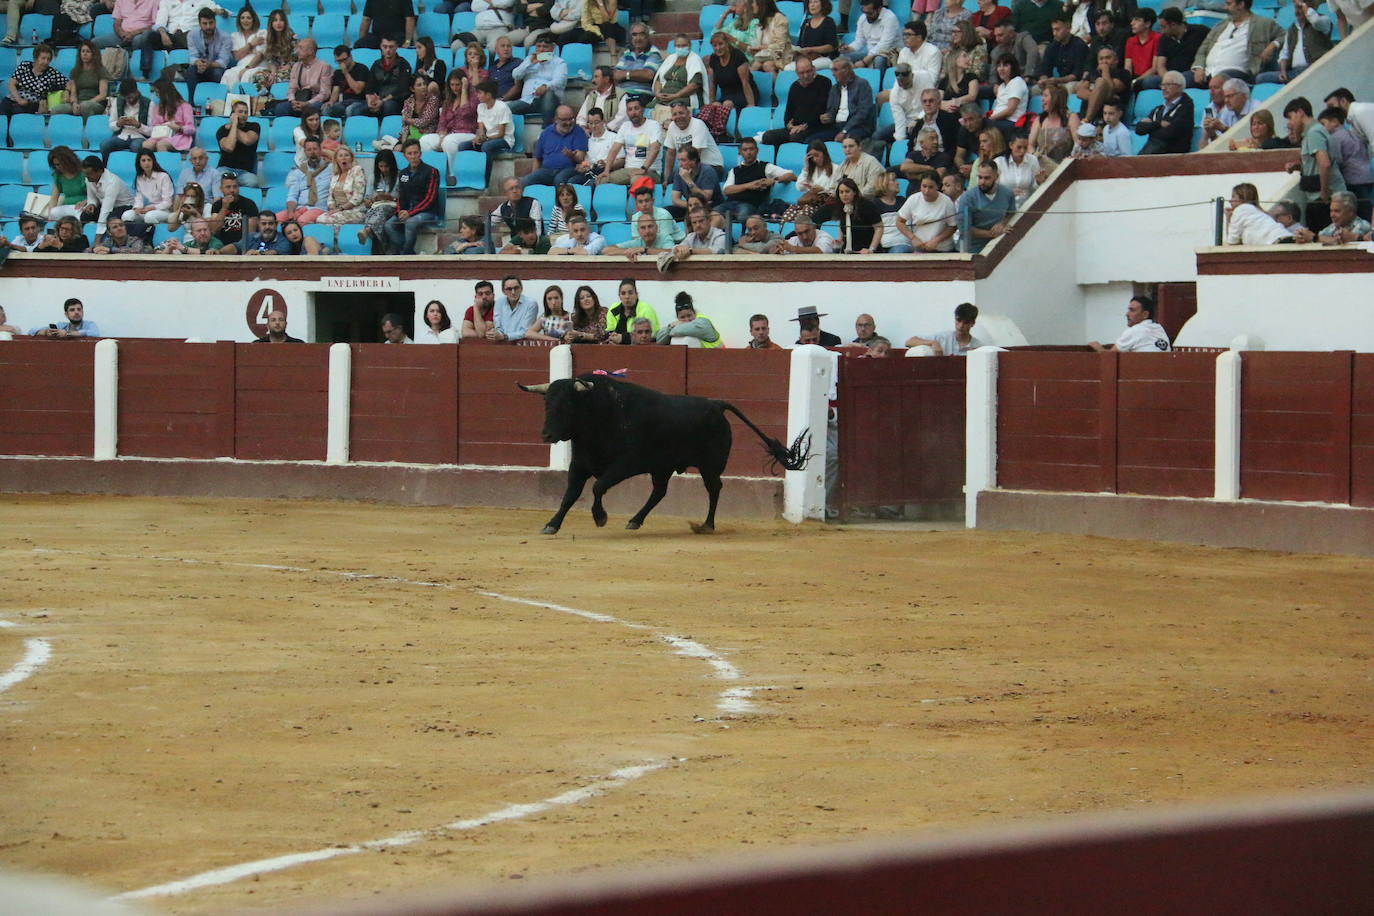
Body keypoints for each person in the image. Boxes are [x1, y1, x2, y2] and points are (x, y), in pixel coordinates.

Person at [1190, 0, 1282, 87]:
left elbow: (1284, 35)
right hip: (1206, 72)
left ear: (1241, 4)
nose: (1225, 7)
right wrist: (1199, 67)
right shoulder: (1220, 25)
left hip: (1238, 72)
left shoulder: (1263, 23)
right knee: (1177, 79)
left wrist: (1272, 46)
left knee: (1219, 80)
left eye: (1229, 4)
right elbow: (1202, 49)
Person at [1285, 96, 1344, 231]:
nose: (1291, 122)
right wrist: (1298, 167)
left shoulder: (1314, 133)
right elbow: (1316, 166)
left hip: (1322, 199)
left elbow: (1324, 164)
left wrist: (1323, 194)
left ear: (1300, 112)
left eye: (1291, 117)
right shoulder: (1313, 132)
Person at [714, 137, 795, 228]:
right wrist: (750, 185)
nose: (748, 152)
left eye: (751, 149)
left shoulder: (765, 167)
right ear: (740, 152)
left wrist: (773, 180)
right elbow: (727, 190)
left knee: (743, 216)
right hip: (730, 203)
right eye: (745, 150)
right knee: (712, 215)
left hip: (751, 204)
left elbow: (791, 175)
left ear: (757, 150)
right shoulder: (734, 170)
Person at [384, 138, 443, 254]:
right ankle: (408, 251)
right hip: (407, 210)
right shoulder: (403, 173)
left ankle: (405, 254)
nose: (413, 156)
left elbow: (429, 199)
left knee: (411, 222)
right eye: (409, 153)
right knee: (388, 225)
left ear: (420, 154)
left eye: (415, 153)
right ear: (405, 156)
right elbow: (401, 196)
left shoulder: (432, 172)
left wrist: (410, 213)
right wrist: (401, 211)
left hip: (428, 212)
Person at [761, 55, 831, 146]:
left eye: (808, 71)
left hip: (815, 126)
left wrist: (804, 126)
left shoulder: (824, 82)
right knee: (768, 136)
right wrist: (789, 125)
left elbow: (821, 110)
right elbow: (788, 112)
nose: (805, 76)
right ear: (796, 73)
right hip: (796, 127)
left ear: (813, 69)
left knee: (795, 137)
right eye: (802, 73)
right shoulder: (794, 87)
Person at [1259, 0, 1331, 86]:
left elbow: (1316, 21)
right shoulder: (1292, 29)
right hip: (1293, 73)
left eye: (1300, 8)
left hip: (1314, 69)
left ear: (1310, 7)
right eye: (1296, 8)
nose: (1297, 12)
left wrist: (1303, 5)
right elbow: (1284, 54)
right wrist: (1283, 71)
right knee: (1261, 78)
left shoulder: (1324, 20)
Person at [1317, 106, 1373, 217]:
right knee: (1370, 208)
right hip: (1369, 176)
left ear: (1334, 122)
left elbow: (1336, 160)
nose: (1322, 129)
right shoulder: (1355, 133)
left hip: (1354, 180)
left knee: (1361, 211)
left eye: (1323, 124)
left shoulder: (1335, 138)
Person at [599, 95, 662, 185]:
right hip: (628, 170)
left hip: (650, 170)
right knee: (601, 181)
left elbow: (655, 149)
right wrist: (606, 170)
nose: (633, 112)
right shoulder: (625, 126)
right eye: (630, 109)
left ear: (643, 109)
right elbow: (614, 150)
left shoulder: (653, 125)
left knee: (636, 180)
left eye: (636, 108)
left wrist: (643, 168)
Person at [957, 161, 1015, 253]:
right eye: (980, 177)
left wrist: (1002, 223)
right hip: (972, 249)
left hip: (998, 246)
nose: (982, 182)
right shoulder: (968, 197)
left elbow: (1011, 213)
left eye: (987, 178)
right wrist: (992, 234)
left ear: (996, 176)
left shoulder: (1007, 193)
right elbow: (965, 229)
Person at [525, 105, 588, 187]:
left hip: (569, 169)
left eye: (571, 119)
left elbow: (581, 158)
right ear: (556, 119)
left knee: (559, 180)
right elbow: (537, 159)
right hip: (547, 170)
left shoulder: (579, 132)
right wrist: (534, 175)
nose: (568, 123)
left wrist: (572, 156)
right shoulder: (546, 133)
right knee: (527, 181)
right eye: (564, 120)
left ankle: (557, 200)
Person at [1135, 70, 1194, 155]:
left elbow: (1170, 134)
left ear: (1179, 87)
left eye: (1168, 84)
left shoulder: (1186, 107)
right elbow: (1139, 129)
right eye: (1162, 85)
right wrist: (1158, 124)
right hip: (1153, 154)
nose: (1163, 88)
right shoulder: (1158, 109)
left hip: (1173, 156)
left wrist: (1150, 127)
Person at [509, 33, 566, 120]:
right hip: (528, 100)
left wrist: (545, 86)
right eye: (538, 46)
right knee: (505, 109)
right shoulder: (530, 59)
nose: (541, 50)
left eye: (545, 47)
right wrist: (529, 63)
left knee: (548, 94)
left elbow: (560, 81)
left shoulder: (559, 62)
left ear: (552, 48)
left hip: (548, 100)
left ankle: (547, 130)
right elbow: (516, 75)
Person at [651, 32, 707, 119]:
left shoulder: (695, 60)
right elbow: (658, 79)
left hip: (683, 97)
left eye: (683, 45)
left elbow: (694, 85)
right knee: (648, 106)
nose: (680, 48)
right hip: (664, 96)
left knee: (674, 107)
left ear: (689, 45)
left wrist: (675, 95)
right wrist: (658, 93)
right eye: (678, 46)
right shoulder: (670, 59)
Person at [896, 173, 957, 252]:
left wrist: (936, 240)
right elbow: (899, 221)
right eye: (924, 186)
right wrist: (913, 238)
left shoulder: (946, 202)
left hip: (943, 249)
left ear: (937, 186)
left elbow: (953, 226)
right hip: (920, 248)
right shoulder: (913, 199)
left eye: (931, 187)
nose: (926, 191)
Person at [1, 43, 68, 115]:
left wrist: (67, 91)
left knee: (18, 111)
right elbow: (11, 84)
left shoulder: (52, 73)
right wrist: (19, 100)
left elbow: (69, 83)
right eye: (43, 58)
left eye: (48, 59)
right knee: (3, 108)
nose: (46, 62)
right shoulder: (24, 66)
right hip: (15, 98)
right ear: (36, 58)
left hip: (32, 103)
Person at [1089, 295, 1171, 352]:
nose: (1127, 314)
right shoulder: (1158, 328)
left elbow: (1110, 356)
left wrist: (1099, 348)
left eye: (1132, 310)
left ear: (1145, 314)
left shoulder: (1135, 330)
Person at [278, 137, 331, 225]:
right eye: (309, 150)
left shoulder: (330, 168)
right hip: (299, 208)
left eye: (315, 149)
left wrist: (329, 153)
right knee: (275, 219)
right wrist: (291, 212)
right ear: (305, 152)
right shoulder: (298, 171)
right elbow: (292, 196)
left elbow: (349, 161)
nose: (312, 152)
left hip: (319, 208)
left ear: (320, 150)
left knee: (302, 220)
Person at [820, 58, 876, 142]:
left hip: (857, 126)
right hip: (837, 126)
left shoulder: (862, 84)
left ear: (846, 70)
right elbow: (832, 111)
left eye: (835, 70)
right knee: (813, 140)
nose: (833, 74)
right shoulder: (834, 89)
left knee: (848, 140)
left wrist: (844, 131)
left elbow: (862, 113)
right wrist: (827, 117)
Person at [184, 7, 233, 101]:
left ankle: (218, 102)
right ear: (199, 24)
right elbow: (193, 57)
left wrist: (208, 64)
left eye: (211, 23)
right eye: (205, 23)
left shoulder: (225, 37)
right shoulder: (191, 35)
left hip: (215, 68)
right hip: (199, 67)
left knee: (218, 73)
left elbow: (223, 62)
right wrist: (198, 62)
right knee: (190, 71)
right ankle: (191, 103)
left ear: (215, 22)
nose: (208, 26)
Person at [663, 100, 724, 175]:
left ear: (689, 113)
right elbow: (670, 154)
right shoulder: (672, 126)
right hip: (688, 166)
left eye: (681, 113)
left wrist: (686, 175)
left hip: (711, 166)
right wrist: (667, 178)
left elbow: (696, 153)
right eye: (674, 114)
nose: (678, 117)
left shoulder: (698, 124)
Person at [51, 40, 109, 117]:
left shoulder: (101, 70)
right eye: (83, 51)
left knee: (85, 106)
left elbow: (103, 95)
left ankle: (86, 128)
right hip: (79, 102)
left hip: (96, 103)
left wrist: (85, 103)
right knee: (56, 109)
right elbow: (73, 93)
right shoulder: (75, 71)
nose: (84, 54)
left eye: (88, 51)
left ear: (93, 54)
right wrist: (74, 104)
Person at [78, 156, 135, 233]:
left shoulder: (112, 182)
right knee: (85, 215)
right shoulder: (89, 179)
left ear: (100, 171)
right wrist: (92, 204)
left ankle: (104, 240)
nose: (86, 176)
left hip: (125, 206)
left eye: (89, 174)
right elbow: (91, 197)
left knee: (110, 219)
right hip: (106, 206)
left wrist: (97, 237)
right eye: (85, 173)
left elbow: (106, 210)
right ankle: (79, 237)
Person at [1223, 181, 1293, 245]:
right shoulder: (1258, 212)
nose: (1230, 200)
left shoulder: (1241, 209)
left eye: (1233, 196)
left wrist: (1228, 219)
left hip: (1276, 242)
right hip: (1286, 237)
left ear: (1242, 197)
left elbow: (1232, 241)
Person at [100, 79, 153, 161]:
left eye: (131, 97)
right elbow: (111, 124)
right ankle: (105, 170)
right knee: (104, 145)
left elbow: (152, 131)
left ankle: (136, 172)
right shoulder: (117, 101)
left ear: (136, 92)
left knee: (136, 146)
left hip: (140, 136)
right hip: (121, 135)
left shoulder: (149, 104)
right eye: (127, 98)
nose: (130, 100)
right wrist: (118, 123)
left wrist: (138, 125)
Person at [357, 149, 400, 252]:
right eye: (381, 166)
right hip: (375, 206)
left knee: (382, 210)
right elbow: (367, 198)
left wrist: (388, 197)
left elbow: (400, 198)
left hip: (391, 206)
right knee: (372, 212)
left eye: (386, 166)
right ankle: (381, 247)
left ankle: (367, 231)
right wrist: (370, 200)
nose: (384, 169)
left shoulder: (399, 176)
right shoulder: (373, 177)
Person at [1074, 45, 1128, 126]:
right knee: (1072, 117)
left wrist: (1105, 71)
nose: (1104, 62)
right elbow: (1080, 93)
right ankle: (1086, 122)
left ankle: (1087, 120)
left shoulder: (1123, 73)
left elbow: (1112, 89)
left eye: (1108, 58)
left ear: (1116, 60)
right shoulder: (1092, 74)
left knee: (1100, 81)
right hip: (1083, 114)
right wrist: (1099, 96)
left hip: (1107, 118)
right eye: (1101, 59)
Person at [362, 35, 413, 119]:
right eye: (385, 47)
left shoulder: (403, 64)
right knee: (358, 109)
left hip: (396, 101)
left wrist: (383, 101)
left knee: (388, 107)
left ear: (396, 47)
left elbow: (402, 89)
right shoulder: (376, 64)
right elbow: (369, 87)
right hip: (379, 99)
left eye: (391, 47)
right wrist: (370, 100)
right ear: (381, 47)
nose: (388, 50)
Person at [905, 302, 984, 355]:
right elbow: (909, 342)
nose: (961, 325)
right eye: (958, 320)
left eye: (966, 322)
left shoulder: (978, 347)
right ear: (955, 319)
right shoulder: (943, 338)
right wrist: (933, 343)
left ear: (973, 323)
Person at [706, 29, 756, 111]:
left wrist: (751, 104)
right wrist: (711, 102)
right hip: (726, 94)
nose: (718, 48)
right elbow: (712, 83)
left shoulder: (738, 56)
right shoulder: (713, 59)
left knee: (727, 104)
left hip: (743, 93)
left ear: (727, 44)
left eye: (721, 44)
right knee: (715, 105)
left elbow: (745, 82)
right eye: (715, 46)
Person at [842, 0, 901, 70]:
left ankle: (880, 80)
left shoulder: (890, 18)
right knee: (843, 57)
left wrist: (865, 61)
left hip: (888, 52)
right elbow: (859, 40)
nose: (867, 15)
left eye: (870, 13)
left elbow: (885, 44)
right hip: (870, 51)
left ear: (879, 9)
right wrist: (849, 48)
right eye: (864, 12)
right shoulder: (863, 18)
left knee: (879, 59)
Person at [214, 100, 260, 188]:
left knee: (253, 182)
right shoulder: (222, 130)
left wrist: (233, 126)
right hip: (225, 169)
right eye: (240, 112)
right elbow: (229, 147)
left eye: (246, 112)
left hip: (245, 172)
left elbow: (247, 140)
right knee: (217, 179)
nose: (243, 115)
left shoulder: (254, 126)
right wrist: (235, 124)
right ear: (232, 114)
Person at [124, 149, 173, 230]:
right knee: (127, 215)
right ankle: (134, 236)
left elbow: (168, 202)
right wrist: (137, 208)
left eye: (149, 160)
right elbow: (139, 198)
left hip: (162, 210)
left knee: (149, 217)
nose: (146, 163)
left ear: (153, 161)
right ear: (139, 163)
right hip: (146, 210)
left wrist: (152, 208)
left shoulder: (164, 176)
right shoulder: (139, 178)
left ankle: (152, 236)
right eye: (143, 160)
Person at [208, 172, 258, 250]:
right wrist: (224, 208)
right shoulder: (217, 205)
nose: (232, 190)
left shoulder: (249, 204)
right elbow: (214, 230)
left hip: (242, 246)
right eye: (228, 187)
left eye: (235, 187)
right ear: (221, 189)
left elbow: (251, 234)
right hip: (221, 246)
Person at [668, 147, 722, 218]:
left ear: (693, 160)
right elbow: (675, 200)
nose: (680, 164)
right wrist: (692, 206)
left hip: (711, 208)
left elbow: (705, 198)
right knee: (665, 213)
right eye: (679, 160)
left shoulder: (707, 171)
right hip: (690, 206)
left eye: (683, 160)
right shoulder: (679, 172)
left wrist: (688, 180)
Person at [1040, 15, 1088, 91]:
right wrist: (1044, 80)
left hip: (1074, 82)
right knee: (1035, 90)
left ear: (1068, 28)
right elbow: (1045, 70)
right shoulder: (1052, 47)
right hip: (1057, 82)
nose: (1054, 33)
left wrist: (1058, 80)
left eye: (1058, 30)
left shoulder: (1079, 45)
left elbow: (1077, 74)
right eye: (1053, 30)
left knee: (1069, 88)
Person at [833, 176, 881, 253]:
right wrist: (839, 239)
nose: (844, 195)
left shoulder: (867, 206)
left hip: (867, 251)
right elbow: (842, 224)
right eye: (841, 192)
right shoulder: (841, 206)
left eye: (847, 191)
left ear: (854, 192)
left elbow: (879, 228)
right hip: (848, 251)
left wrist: (871, 249)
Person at [612, 21, 661, 96]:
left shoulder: (653, 53)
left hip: (641, 94)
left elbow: (647, 75)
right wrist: (637, 74)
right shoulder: (626, 53)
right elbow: (616, 75)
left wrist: (626, 74)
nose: (638, 38)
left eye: (642, 34)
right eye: (634, 35)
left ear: (647, 37)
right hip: (622, 94)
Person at [222, 5, 266, 86]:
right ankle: (228, 98)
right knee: (228, 74)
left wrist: (244, 52)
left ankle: (246, 98)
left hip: (257, 65)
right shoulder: (235, 35)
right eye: (242, 18)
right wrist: (252, 44)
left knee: (247, 75)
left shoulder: (261, 33)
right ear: (239, 20)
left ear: (253, 20)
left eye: (248, 18)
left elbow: (261, 55)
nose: (245, 20)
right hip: (241, 66)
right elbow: (237, 56)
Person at [1202, 77, 1254, 146]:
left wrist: (1223, 129)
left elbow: (1249, 142)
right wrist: (1212, 134)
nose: (1226, 100)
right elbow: (1220, 144)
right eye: (1225, 96)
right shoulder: (1227, 110)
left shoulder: (1256, 109)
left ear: (1243, 96)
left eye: (1230, 96)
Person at [146, 79, 194, 154]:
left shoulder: (185, 106)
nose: (156, 95)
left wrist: (179, 128)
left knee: (161, 144)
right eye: (156, 92)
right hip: (161, 135)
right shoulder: (158, 107)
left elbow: (191, 129)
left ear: (166, 93)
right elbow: (154, 125)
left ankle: (164, 165)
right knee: (146, 145)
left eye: (158, 92)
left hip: (179, 136)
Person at [656, 292, 721, 346]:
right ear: (677, 318)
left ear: (694, 313)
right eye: (682, 317)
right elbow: (659, 340)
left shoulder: (703, 322)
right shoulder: (676, 324)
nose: (687, 319)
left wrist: (671, 329)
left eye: (689, 315)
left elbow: (681, 330)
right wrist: (669, 326)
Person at [790, 0, 838, 72]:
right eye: (810, 2)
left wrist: (812, 49)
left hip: (825, 57)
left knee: (799, 68)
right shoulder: (806, 22)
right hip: (807, 57)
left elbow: (831, 46)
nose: (812, 5)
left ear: (823, 4)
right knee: (787, 68)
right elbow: (800, 44)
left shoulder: (828, 22)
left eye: (815, 2)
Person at [606, 277, 658, 344]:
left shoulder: (646, 309)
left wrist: (623, 338)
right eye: (623, 293)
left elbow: (650, 336)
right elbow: (610, 331)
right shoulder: (613, 309)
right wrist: (612, 338)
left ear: (636, 294)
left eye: (630, 293)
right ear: (619, 296)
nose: (627, 297)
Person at [488, 275, 538, 341]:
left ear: (521, 288)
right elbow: (498, 327)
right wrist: (495, 334)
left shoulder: (531, 304)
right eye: (509, 289)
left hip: (523, 344)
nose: (513, 292)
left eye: (516, 288)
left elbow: (526, 331)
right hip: (502, 343)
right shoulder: (499, 302)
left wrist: (505, 337)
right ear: (503, 291)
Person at [325, 45, 370, 117]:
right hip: (343, 101)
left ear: (350, 57)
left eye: (344, 60)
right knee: (327, 109)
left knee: (350, 110)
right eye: (338, 61)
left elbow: (358, 90)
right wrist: (331, 102)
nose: (342, 63)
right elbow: (335, 91)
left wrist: (346, 73)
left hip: (360, 101)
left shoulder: (362, 69)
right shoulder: (338, 72)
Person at [29, 298, 100, 338]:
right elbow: (32, 331)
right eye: (72, 310)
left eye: (79, 309)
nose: (76, 312)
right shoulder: (61, 326)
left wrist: (67, 333)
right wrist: (46, 332)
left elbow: (95, 333)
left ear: (83, 312)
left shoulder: (90, 325)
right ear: (66, 314)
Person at [164, 216, 231, 253]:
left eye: (205, 230)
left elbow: (207, 253)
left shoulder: (216, 243)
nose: (203, 233)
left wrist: (184, 249)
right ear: (192, 234)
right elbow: (169, 254)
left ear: (210, 231)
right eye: (199, 231)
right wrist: (170, 247)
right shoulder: (190, 244)